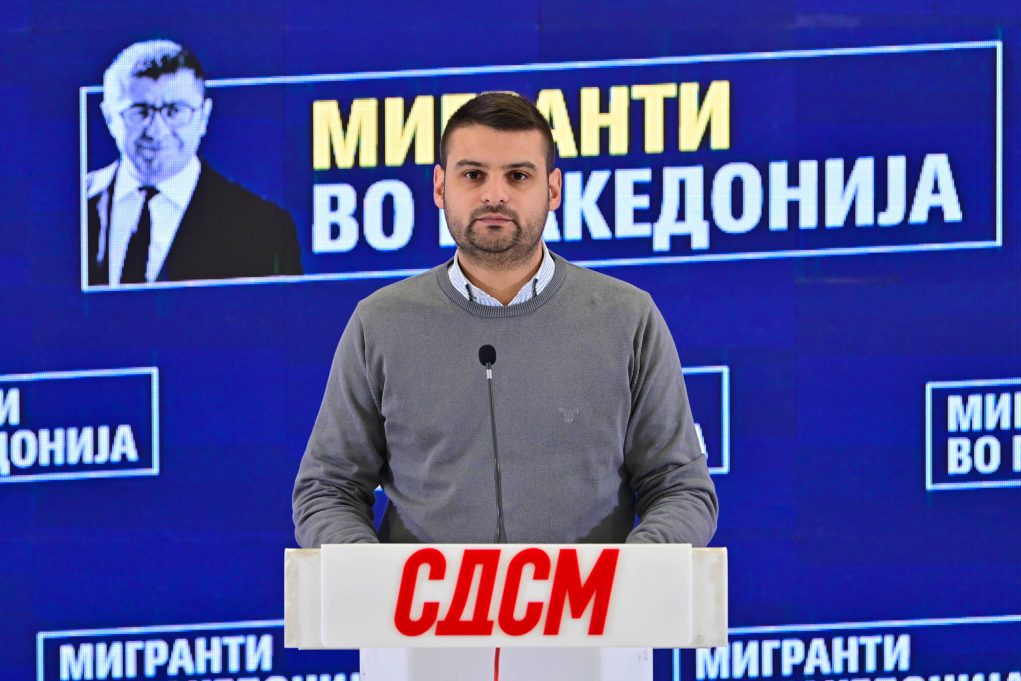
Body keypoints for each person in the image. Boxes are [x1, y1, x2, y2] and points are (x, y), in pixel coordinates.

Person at [292, 92, 717, 546]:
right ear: (440, 187)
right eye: (473, 175)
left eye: (518, 175)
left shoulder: (627, 318)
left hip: (593, 595)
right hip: (422, 595)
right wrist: (371, 573)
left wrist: (627, 573)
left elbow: (680, 489)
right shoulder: (380, 323)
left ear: (553, 190)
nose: (494, 194)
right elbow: (327, 491)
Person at [86, 40, 302, 287]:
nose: (156, 131)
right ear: (109, 117)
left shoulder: (262, 228)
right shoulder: (72, 206)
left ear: (204, 117)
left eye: (174, 111)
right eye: (139, 112)